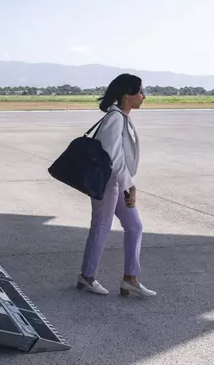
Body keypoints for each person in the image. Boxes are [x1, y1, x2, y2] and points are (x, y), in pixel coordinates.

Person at [76, 73, 156, 298]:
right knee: (101, 226)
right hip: (108, 182)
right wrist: (130, 185)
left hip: (118, 182)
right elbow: (113, 156)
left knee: (134, 225)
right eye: (140, 92)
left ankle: (130, 279)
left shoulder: (122, 117)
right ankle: (87, 276)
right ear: (126, 96)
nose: (144, 96)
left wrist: (128, 183)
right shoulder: (115, 118)